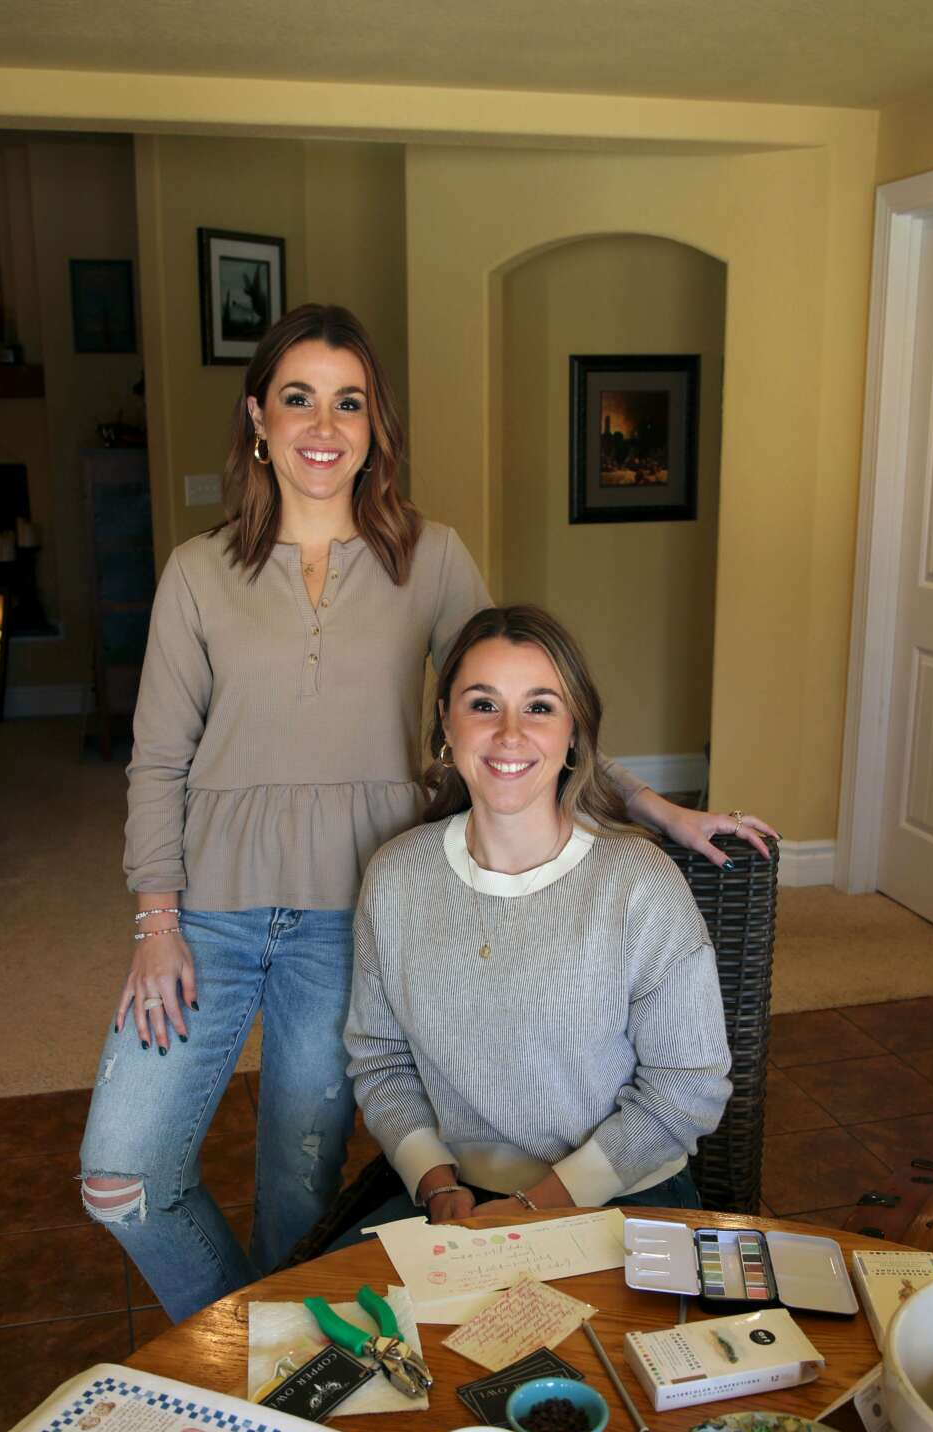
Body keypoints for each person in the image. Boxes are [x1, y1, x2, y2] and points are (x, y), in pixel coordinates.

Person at [79, 303, 773, 1321]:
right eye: (299, 399)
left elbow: (518, 706)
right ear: (258, 419)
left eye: (349, 403)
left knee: (296, 1200)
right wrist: (155, 922)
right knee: (121, 1174)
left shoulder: (431, 558)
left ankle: (284, 1371)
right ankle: (255, 1343)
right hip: (206, 916)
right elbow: (157, 760)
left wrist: (651, 806)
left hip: (350, 916)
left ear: (375, 428)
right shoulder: (197, 570)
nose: (324, 426)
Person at [343, 605, 734, 1228]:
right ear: (446, 720)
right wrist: (437, 1184)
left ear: (574, 731)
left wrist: (537, 1206)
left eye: (540, 707)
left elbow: (689, 1085)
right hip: (454, 1201)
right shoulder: (395, 876)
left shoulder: (640, 884)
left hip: (620, 1199)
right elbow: (381, 1058)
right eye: (483, 704)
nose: (509, 734)